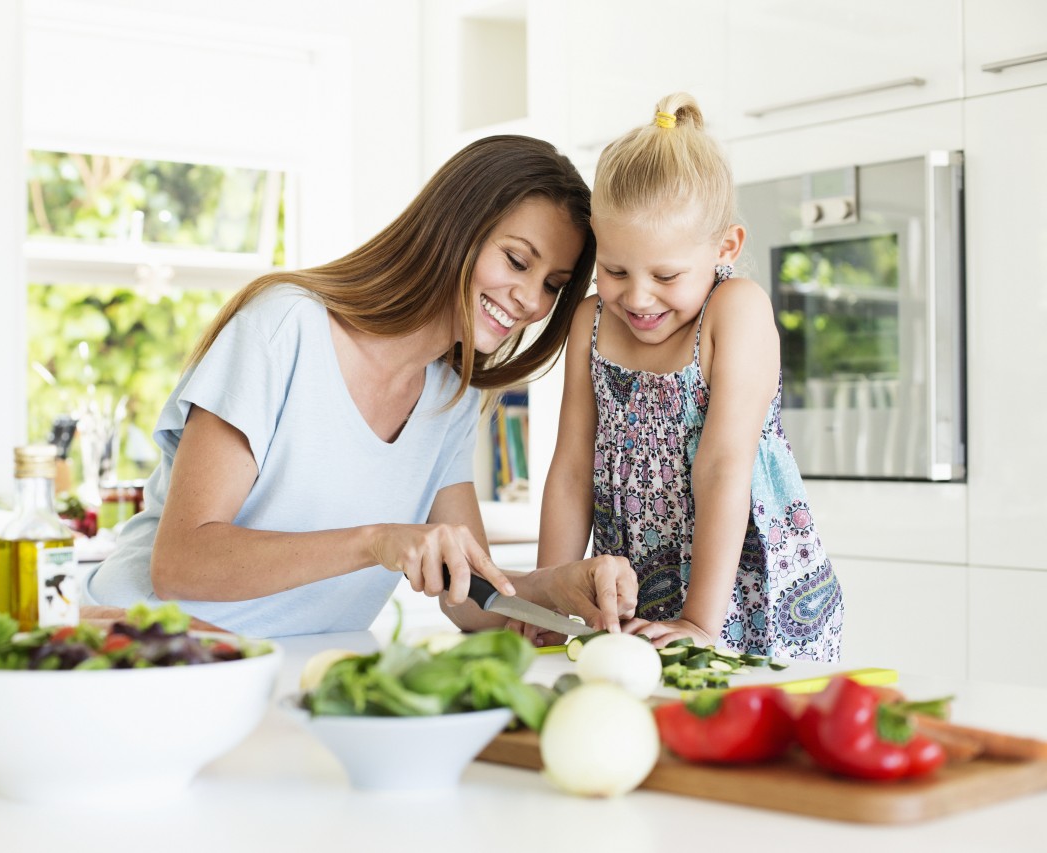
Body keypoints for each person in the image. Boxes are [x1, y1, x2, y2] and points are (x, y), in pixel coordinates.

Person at [85, 134, 639, 637]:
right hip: (144, 655)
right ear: (455, 226)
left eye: (553, 285)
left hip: (301, 673)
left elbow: (470, 599)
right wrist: (377, 541)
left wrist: (554, 585)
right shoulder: (285, 327)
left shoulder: (453, 396)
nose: (532, 301)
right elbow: (182, 565)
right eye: (517, 261)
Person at [533, 93, 843, 660]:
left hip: (742, 598)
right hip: (637, 604)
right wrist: (548, 602)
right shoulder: (592, 320)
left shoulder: (735, 310)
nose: (638, 295)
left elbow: (724, 465)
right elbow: (572, 468)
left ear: (726, 246)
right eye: (615, 269)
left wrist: (701, 619)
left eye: (666, 274)